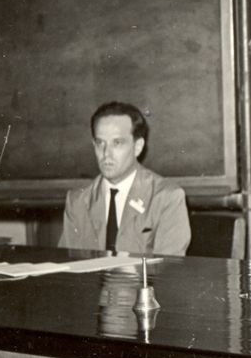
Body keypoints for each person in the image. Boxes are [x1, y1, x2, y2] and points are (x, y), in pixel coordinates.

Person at [59, 101, 191, 256]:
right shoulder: (78, 201)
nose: (106, 153)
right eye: (100, 143)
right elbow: (67, 267)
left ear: (138, 147)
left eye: (117, 143)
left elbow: (169, 270)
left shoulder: (167, 198)